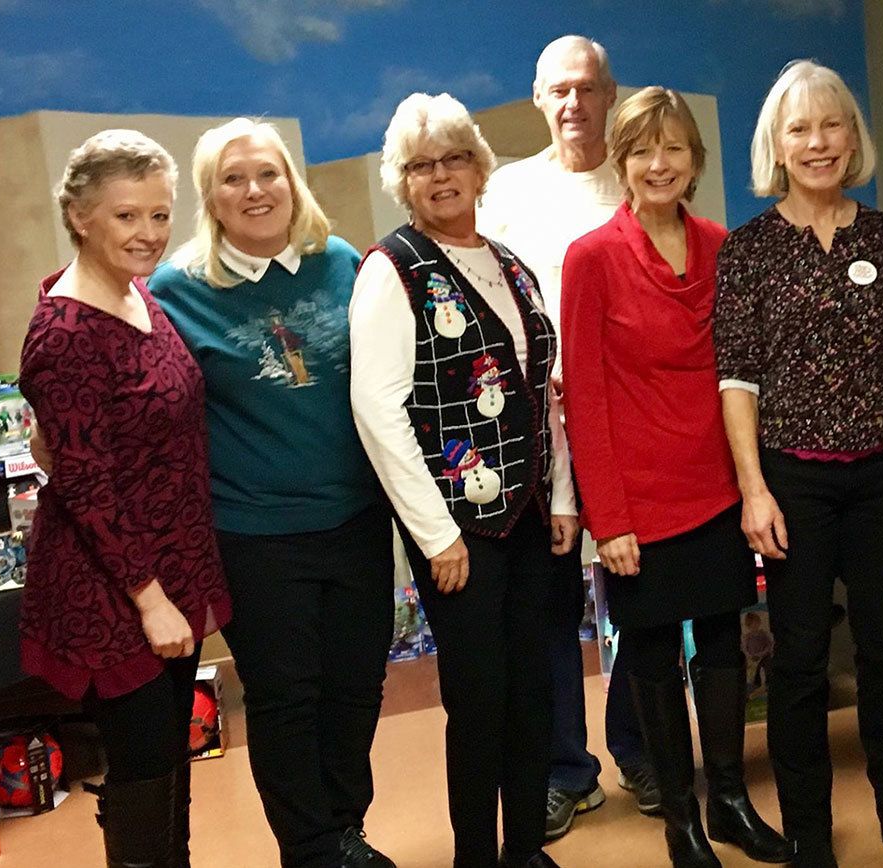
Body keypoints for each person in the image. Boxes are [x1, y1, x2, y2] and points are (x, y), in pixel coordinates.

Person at [150, 118, 397, 868]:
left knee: (357, 687)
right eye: (233, 180)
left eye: (267, 174)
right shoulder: (175, 290)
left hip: (355, 519)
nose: (254, 191)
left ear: (293, 180)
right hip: (253, 534)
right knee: (287, 698)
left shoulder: (343, 263)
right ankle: (313, 848)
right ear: (211, 199)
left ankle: (345, 829)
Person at [714, 61, 883, 868]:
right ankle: (810, 829)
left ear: (854, 136)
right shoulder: (747, 251)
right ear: (777, 145)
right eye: (799, 129)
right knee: (802, 662)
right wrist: (754, 491)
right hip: (793, 482)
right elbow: (735, 381)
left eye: (832, 125)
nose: (818, 143)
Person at [561, 86, 793, 868]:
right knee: (653, 652)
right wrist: (609, 518)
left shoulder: (724, 245)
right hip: (640, 500)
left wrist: (755, 482)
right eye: (641, 150)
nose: (659, 163)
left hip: (719, 485)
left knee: (726, 644)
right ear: (621, 163)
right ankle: (680, 823)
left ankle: (728, 800)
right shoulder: (590, 258)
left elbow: (744, 374)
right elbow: (584, 399)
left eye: (674, 148)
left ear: (695, 159)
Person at [351, 91, 579, 868]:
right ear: (402, 181)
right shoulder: (393, 268)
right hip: (458, 533)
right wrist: (435, 533)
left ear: (480, 169)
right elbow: (379, 410)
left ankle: (525, 851)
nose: (440, 175)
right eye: (421, 165)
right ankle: (477, 857)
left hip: (527, 517)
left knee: (532, 695)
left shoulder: (510, 265)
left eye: (453, 158)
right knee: (479, 705)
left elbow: (543, 391)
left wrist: (560, 497)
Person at [19, 129, 230, 866]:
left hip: (169, 569)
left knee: (171, 763)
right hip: (113, 592)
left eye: (160, 215)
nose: (148, 234)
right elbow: (85, 483)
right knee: (145, 770)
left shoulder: (138, 296)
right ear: (80, 216)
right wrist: (148, 597)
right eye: (126, 216)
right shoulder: (65, 331)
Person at [478, 34, 659, 835]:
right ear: (537, 99)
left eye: (587, 88)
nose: (573, 104)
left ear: (609, 93)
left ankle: (644, 749)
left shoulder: (641, 184)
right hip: (534, 432)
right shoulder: (508, 192)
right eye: (558, 90)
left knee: (643, 593)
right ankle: (564, 768)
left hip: (628, 423)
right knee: (546, 604)